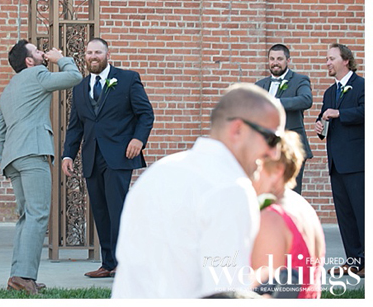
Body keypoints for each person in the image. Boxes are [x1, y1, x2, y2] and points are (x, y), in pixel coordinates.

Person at [112, 83, 285, 298]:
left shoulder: (157, 173)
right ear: (238, 129)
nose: (275, 153)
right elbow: (225, 294)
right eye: (272, 139)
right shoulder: (230, 189)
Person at [0, 40, 82, 295]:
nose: (43, 53)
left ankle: (17, 276)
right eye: (38, 51)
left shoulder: (8, 90)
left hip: (13, 158)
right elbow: (74, 77)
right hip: (33, 152)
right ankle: (24, 276)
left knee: (26, 216)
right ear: (29, 61)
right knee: (38, 214)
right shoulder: (37, 74)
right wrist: (60, 58)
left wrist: (5, 159)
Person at [61, 37, 154, 278]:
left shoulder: (128, 79)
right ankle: (108, 263)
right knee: (101, 212)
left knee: (118, 210)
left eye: (98, 52)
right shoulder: (80, 88)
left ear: (107, 55)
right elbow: (75, 127)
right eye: (90, 53)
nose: (93, 57)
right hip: (92, 157)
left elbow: (146, 114)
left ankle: (125, 263)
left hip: (119, 156)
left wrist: (138, 139)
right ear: (85, 56)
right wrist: (68, 154)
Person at [251, 131, 326, 298]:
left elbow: (263, 295)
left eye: (256, 166)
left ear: (277, 171)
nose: (249, 175)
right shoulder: (304, 206)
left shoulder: (271, 219)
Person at [315, 43, 365, 278]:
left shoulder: (362, 85)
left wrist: (339, 113)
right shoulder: (329, 92)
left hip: (358, 163)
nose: (327, 63)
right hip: (336, 164)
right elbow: (325, 118)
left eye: (331, 58)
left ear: (346, 60)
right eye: (326, 59)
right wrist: (319, 126)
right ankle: (354, 262)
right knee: (345, 217)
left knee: (363, 214)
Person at [255, 43, 313, 193]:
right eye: (272, 59)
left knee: (292, 194)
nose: (275, 62)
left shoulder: (300, 80)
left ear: (288, 60)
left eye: (279, 59)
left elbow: (306, 100)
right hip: (266, 149)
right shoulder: (259, 85)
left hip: (291, 149)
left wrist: (277, 103)